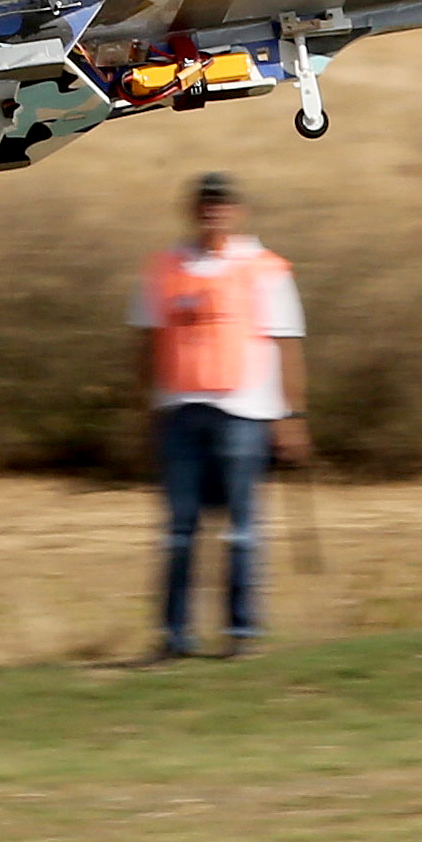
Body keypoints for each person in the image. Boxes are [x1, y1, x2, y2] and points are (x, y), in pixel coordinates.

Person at [129, 171, 309, 660]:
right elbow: (144, 341)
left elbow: (286, 342)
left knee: (241, 529)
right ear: (192, 209)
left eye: (222, 204)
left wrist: (291, 416)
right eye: (206, 204)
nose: (214, 211)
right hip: (179, 412)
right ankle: (175, 637)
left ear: (236, 210)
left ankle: (241, 633)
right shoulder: (163, 267)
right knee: (180, 531)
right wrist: (143, 409)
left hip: (245, 412)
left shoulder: (264, 267)